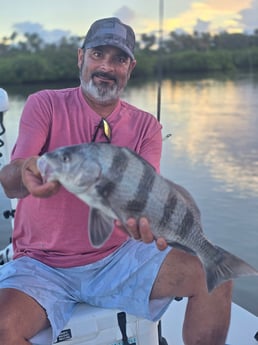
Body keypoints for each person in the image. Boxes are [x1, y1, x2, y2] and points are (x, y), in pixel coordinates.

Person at [0, 17, 232, 345]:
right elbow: (11, 182)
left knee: (217, 279)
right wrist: (25, 171)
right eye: (97, 55)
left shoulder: (147, 126)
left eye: (119, 59)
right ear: (81, 57)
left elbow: (147, 197)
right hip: (41, 265)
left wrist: (146, 227)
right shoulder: (45, 104)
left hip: (118, 258)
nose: (106, 66)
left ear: (130, 67)